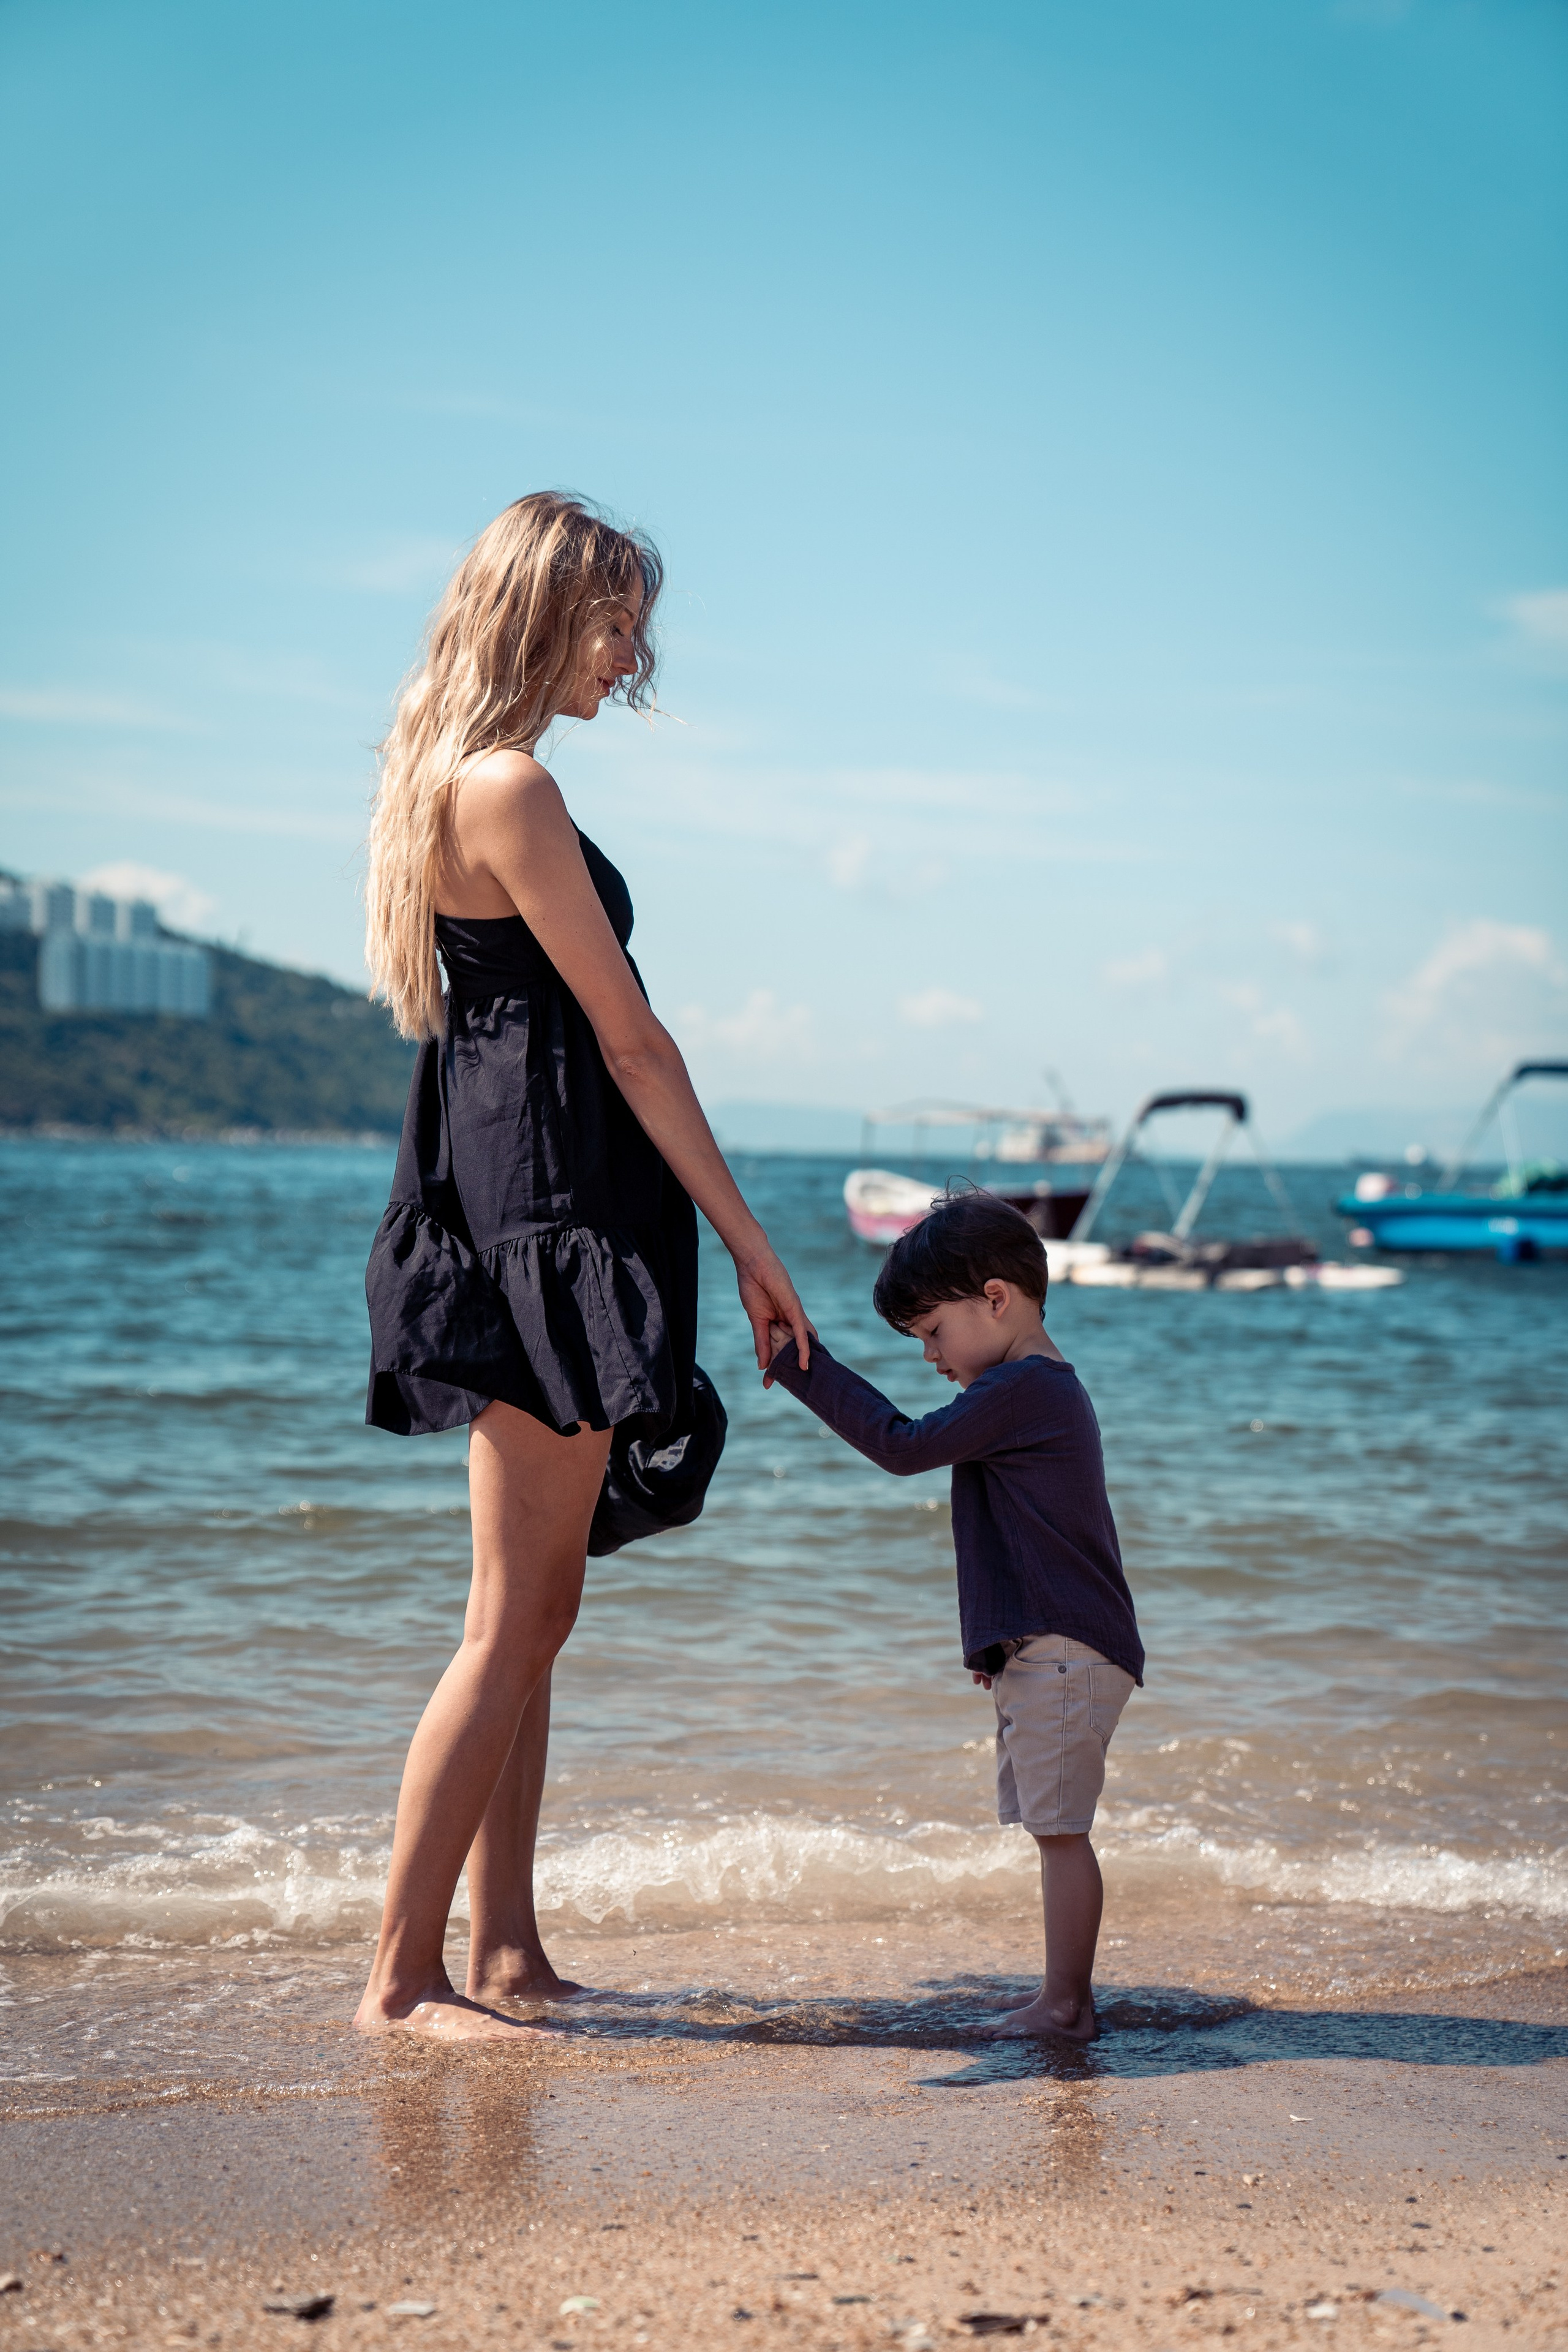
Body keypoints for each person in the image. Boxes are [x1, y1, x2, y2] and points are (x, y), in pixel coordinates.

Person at [355, 492, 812, 2040]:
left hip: (502, 1191)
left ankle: (503, 1954)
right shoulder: (512, 788)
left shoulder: (442, 778)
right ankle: (401, 1982)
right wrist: (756, 1250)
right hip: (551, 1200)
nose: (631, 654)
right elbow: (630, 1040)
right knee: (514, 1618)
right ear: (542, 611)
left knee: (530, 1608)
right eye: (614, 620)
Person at [764, 1190, 1142, 2043]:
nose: (931, 1356)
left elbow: (902, 1447)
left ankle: (1067, 2005)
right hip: (1051, 1644)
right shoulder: (1032, 1392)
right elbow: (1036, 1537)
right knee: (1056, 1829)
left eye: (933, 1331)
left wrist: (801, 1365)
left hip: (1068, 1648)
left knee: (1061, 1833)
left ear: (996, 1300)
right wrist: (996, 1642)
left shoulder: (1023, 1390)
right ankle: (1066, 1999)